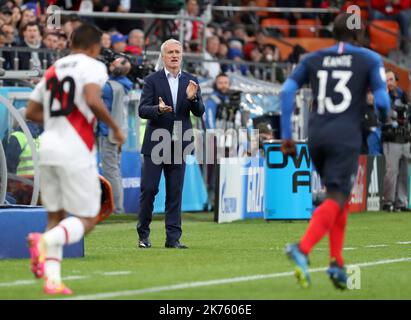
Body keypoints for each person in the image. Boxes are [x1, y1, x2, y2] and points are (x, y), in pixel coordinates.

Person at [280, 13, 390, 289]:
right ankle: (302, 249)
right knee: (337, 198)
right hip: (345, 137)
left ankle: (336, 263)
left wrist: (286, 136)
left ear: (334, 32)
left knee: (337, 197)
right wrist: (382, 117)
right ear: (360, 35)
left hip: (317, 135)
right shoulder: (369, 58)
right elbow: (383, 101)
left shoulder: (313, 58)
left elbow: (286, 92)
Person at [24, 23, 126, 295]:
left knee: (55, 216)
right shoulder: (92, 65)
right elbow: (92, 98)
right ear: (95, 47)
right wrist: (115, 127)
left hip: (47, 147)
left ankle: (53, 280)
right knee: (89, 217)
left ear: (71, 43)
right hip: (76, 148)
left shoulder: (54, 68)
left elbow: (31, 112)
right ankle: (45, 242)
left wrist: (58, 120)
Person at [137, 38, 204, 249]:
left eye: (177, 52)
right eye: (170, 52)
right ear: (163, 56)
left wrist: (193, 99)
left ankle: (173, 239)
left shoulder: (191, 81)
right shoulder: (152, 80)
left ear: (181, 55)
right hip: (156, 142)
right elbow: (142, 110)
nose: (174, 56)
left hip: (179, 142)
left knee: (175, 192)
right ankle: (143, 234)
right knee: (149, 189)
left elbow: (199, 112)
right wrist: (158, 110)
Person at [97, 56, 133, 214]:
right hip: (119, 131)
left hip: (110, 132)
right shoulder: (124, 84)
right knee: (114, 170)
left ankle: (117, 208)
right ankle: (117, 207)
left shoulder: (110, 87)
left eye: (114, 64)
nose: (110, 64)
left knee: (110, 171)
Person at [381, 69, 411, 212]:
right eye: (387, 80)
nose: (389, 82)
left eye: (391, 79)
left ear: (396, 80)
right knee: (391, 172)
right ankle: (388, 202)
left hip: (404, 139)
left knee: (404, 172)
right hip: (391, 139)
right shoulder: (382, 96)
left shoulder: (402, 95)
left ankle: (402, 202)